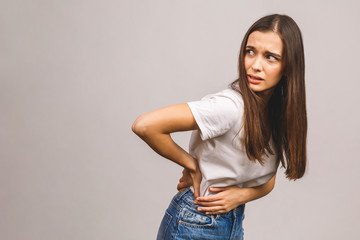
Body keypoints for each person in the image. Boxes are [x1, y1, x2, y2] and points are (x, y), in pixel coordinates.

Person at [132, 14, 307, 240]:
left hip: (231, 223)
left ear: (288, 66)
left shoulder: (275, 113)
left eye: (270, 57)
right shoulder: (230, 107)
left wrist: (240, 196)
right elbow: (145, 125)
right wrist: (191, 164)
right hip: (194, 222)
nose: (255, 65)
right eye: (250, 51)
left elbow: (267, 180)